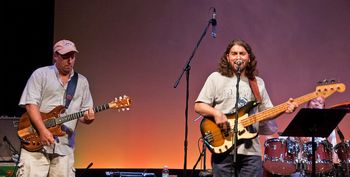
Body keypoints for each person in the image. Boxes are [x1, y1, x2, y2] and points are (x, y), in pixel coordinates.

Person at [194, 39, 298, 177]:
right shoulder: (216, 78)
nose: (238, 57)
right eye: (234, 53)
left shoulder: (257, 83)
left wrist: (284, 109)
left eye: (242, 53)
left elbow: (266, 112)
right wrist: (216, 113)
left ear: (249, 58)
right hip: (223, 148)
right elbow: (199, 105)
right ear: (228, 57)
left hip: (251, 152)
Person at [17, 39, 95, 177]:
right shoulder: (41, 74)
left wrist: (88, 118)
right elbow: (30, 104)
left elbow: (83, 114)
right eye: (65, 57)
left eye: (72, 57)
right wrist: (42, 130)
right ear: (55, 56)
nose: (70, 61)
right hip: (35, 146)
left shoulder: (82, 82)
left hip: (64, 148)